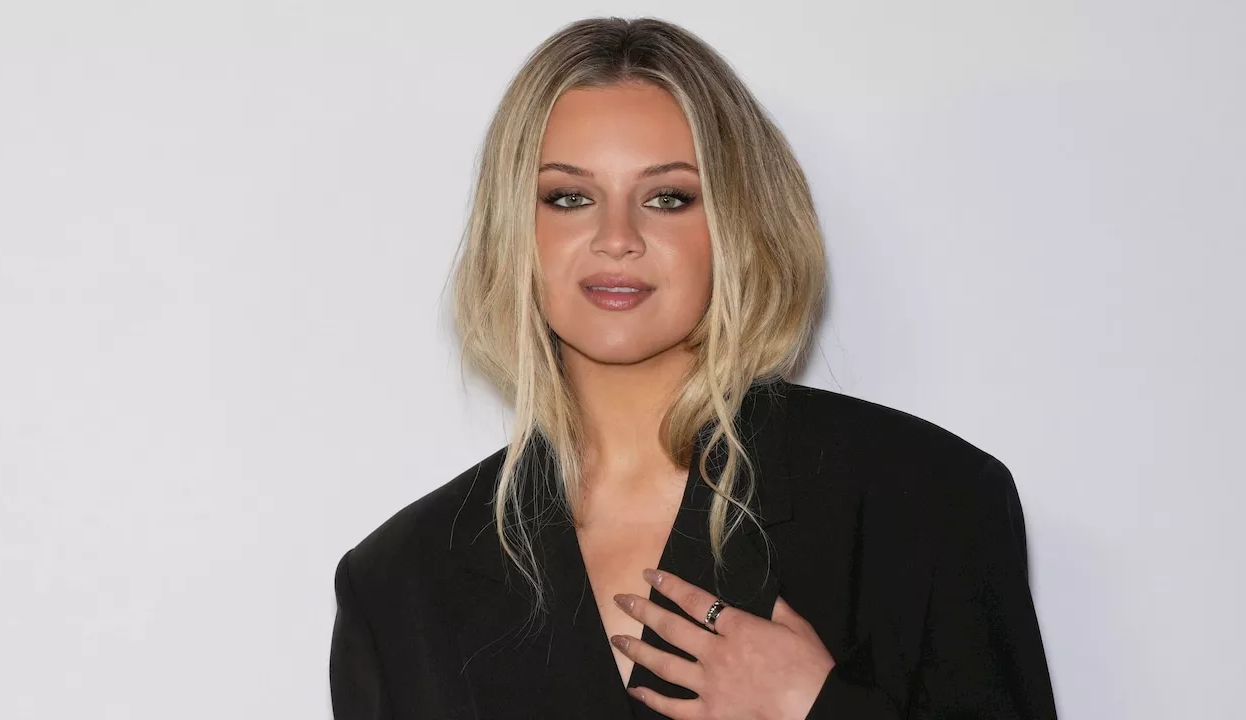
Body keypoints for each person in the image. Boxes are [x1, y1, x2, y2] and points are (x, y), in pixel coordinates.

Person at [329, 15, 1058, 720]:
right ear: (514, 230)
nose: (617, 238)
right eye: (569, 198)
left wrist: (815, 710)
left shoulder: (924, 501)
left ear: (737, 223)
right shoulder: (401, 585)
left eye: (668, 197)